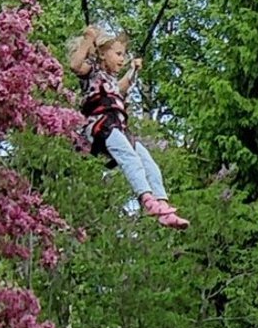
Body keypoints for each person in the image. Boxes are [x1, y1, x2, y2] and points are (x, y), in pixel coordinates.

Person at [63, 26, 187, 229]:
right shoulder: (92, 72)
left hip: (118, 128)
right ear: (102, 53)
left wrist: (134, 70)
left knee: (149, 164)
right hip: (100, 126)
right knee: (131, 159)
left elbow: (121, 88)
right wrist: (88, 39)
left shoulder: (110, 80)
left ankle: (162, 205)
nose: (123, 59)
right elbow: (75, 66)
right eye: (118, 54)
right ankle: (146, 198)